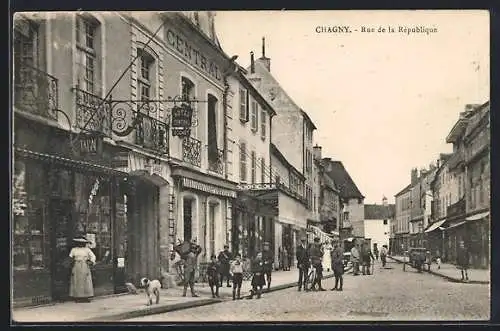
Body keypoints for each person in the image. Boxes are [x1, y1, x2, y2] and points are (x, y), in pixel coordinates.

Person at [69, 236, 96, 302]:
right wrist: (70, 262)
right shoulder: (74, 249)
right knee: (77, 280)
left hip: (84, 265)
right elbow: (70, 257)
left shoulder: (87, 249)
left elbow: (93, 256)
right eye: (79, 243)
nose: (80, 244)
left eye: (82, 243)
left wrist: (91, 261)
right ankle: (77, 296)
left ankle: (85, 296)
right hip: (76, 266)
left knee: (85, 280)